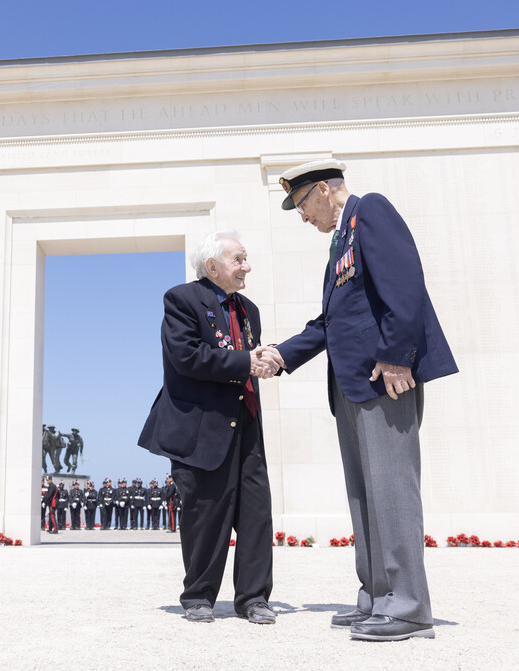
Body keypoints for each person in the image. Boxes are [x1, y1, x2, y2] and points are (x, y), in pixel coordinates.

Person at [268, 159, 458, 641]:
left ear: (324, 190)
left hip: (384, 380)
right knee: (365, 494)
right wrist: (280, 356)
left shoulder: (369, 211)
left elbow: (406, 284)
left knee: (393, 492)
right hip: (351, 385)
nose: (303, 217)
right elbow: (329, 323)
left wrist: (397, 358)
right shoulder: (340, 243)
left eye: (302, 205)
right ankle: (377, 595)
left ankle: (410, 608)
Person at [137, 229, 280, 625]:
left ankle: (254, 598)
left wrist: (266, 361)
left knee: (256, 512)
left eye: (246, 258)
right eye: (238, 259)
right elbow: (186, 356)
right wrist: (245, 362)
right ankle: (198, 596)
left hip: (246, 423)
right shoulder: (182, 300)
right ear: (212, 266)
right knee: (205, 512)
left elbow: (247, 354)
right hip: (199, 428)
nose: (246, 266)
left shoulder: (248, 308)